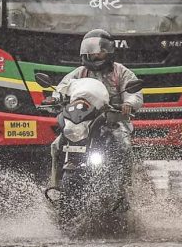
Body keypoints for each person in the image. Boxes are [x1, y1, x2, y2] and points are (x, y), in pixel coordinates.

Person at [47, 29, 143, 188]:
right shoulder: (80, 72)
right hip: (84, 122)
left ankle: (125, 189)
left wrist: (129, 104)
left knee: (124, 146)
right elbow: (62, 87)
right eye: (90, 51)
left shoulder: (122, 72)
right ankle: (55, 184)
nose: (94, 54)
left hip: (114, 122)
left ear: (110, 52)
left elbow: (135, 94)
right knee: (57, 145)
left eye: (100, 51)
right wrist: (54, 98)